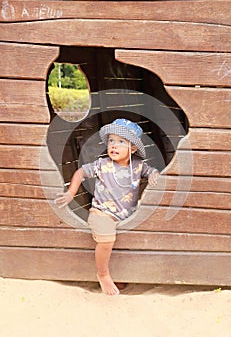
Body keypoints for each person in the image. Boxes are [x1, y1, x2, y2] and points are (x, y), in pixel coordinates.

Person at [55, 118, 159, 295]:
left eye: (121, 142)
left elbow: (152, 172)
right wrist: (71, 193)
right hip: (102, 213)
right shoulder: (102, 165)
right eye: (111, 140)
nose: (114, 145)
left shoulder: (138, 166)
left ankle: (119, 275)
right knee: (106, 239)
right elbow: (81, 173)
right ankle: (103, 274)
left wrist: (154, 175)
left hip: (126, 216)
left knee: (124, 243)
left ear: (133, 148)